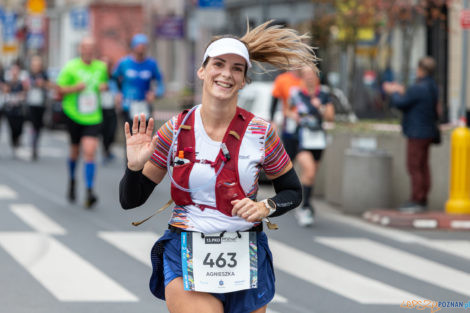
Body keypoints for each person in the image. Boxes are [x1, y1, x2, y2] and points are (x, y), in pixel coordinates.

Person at [119, 21, 316, 313]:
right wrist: (134, 167)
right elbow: (130, 200)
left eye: (237, 68)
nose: (226, 74)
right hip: (186, 249)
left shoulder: (261, 133)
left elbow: (292, 191)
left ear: (244, 80)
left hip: (245, 252)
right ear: (202, 70)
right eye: (219, 64)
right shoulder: (175, 129)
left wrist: (265, 207)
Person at [57, 37, 108, 208]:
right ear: (80, 49)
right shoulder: (71, 67)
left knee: (90, 151)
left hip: (93, 116)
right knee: (74, 151)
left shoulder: (100, 67)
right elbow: (59, 90)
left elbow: (104, 84)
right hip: (73, 114)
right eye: (85, 48)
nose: (88, 51)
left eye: (91, 48)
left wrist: (103, 87)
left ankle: (89, 190)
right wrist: (74, 88)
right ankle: (72, 180)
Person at [383, 56, 439, 213]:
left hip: (417, 132)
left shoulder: (418, 87)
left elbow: (401, 103)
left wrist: (393, 92)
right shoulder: (432, 86)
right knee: (423, 166)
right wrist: (403, 91)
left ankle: (417, 199)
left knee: (414, 166)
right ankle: (422, 198)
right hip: (427, 131)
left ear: (421, 70)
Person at [289, 67, 335, 227]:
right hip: (301, 139)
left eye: (312, 74)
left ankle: (304, 202)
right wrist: (293, 116)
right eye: (306, 75)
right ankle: (306, 207)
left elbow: (330, 117)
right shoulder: (296, 94)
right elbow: (287, 111)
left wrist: (320, 107)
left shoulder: (323, 94)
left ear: (317, 77)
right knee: (308, 170)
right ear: (302, 77)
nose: (309, 77)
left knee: (311, 175)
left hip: (318, 140)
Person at [112, 33, 165, 127]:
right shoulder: (124, 63)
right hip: (127, 105)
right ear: (133, 47)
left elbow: (160, 83)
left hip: (144, 105)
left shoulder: (151, 64)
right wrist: (116, 93)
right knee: (130, 134)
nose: (141, 49)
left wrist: (155, 94)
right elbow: (112, 79)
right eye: (138, 46)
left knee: (145, 134)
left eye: (143, 47)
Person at [271, 69, 303, 159]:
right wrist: (272, 120)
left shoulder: (308, 77)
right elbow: (274, 100)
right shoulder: (283, 79)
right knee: (290, 153)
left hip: (305, 123)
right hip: (290, 121)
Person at [25, 55, 50, 161]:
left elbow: (49, 85)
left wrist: (43, 84)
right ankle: (33, 145)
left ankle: (36, 142)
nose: (36, 67)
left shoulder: (44, 74)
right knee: (33, 124)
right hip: (31, 103)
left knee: (39, 125)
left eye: (38, 65)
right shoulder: (28, 75)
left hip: (41, 103)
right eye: (34, 65)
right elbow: (25, 86)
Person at [3, 63, 27, 157]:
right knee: (12, 127)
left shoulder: (21, 82)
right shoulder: (8, 82)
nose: (14, 72)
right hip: (10, 108)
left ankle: (17, 140)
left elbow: (25, 92)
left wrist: (22, 95)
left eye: (16, 70)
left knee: (19, 128)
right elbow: (5, 93)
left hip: (19, 109)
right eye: (13, 70)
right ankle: (14, 143)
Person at [100, 56, 118, 164]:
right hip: (100, 109)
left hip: (112, 109)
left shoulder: (114, 78)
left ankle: (108, 149)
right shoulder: (97, 77)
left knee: (112, 131)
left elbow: (119, 90)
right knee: (103, 131)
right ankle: (105, 151)